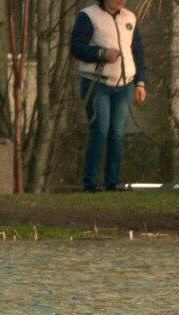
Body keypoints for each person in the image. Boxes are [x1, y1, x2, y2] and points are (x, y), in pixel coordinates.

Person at [70, 0, 148, 192]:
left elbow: (137, 52)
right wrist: (101, 53)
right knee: (100, 130)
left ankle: (112, 181)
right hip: (97, 83)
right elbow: (76, 47)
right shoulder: (88, 16)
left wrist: (140, 82)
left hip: (125, 84)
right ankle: (90, 183)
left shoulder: (130, 17)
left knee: (118, 133)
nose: (122, 0)